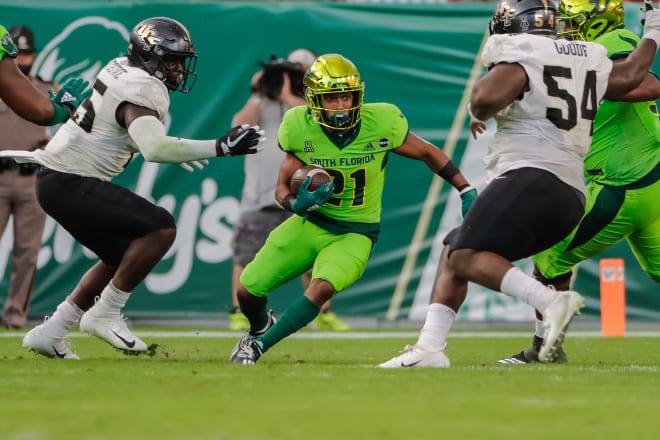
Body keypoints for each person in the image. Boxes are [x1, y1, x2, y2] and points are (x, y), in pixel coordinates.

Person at [378, 0, 660, 368]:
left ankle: (546, 326)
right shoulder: (587, 56)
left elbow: (486, 98)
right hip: (579, 183)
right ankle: (431, 347)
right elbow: (631, 74)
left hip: (571, 177)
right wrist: (652, 27)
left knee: (475, 254)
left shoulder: (546, 49)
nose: (562, 29)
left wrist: (484, 103)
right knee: (456, 248)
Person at [0, 17, 265, 359]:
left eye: (181, 61)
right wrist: (219, 146)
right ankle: (105, 314)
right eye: (171, 60)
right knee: (160, 228)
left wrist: (173, 146)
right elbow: (154, 148)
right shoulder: (144, 88)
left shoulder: (120, 67)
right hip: (69, 180)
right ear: (150, 56)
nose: (178, 70)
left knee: (122, 255)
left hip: (55, 179)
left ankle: (51, 332)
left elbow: (118, 129)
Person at [229, 53, 479, 365]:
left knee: (321, 289)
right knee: (248, 291)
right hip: (311, 223)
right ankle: (258, 328)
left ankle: (257, 347)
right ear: (314, 101)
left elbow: (429, 153)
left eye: (346, 97)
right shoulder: (298, 125)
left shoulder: (381, 122)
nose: (340, 106)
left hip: (355, 233)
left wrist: (465, 188)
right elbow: (281, 188)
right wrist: (296, 203)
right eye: (331, 99)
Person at [498, 0, 660, 365]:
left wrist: (588, 82)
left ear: (594, 21)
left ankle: (544, 349)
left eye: (568, 21)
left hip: (621, 186)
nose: (559, 27)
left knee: (550, 256)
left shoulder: (614, 39)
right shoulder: (581, 52)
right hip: (648, 178)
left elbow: (649, 84)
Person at [229, 48, 350, 332]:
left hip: (304, 192)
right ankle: (238, 311)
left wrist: (286, 95)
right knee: (247, 255)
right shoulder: (262, 102)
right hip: (260, 196)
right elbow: (239, 125)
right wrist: (260, 91)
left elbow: (312, 120)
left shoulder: (312, 107)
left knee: (314, 256)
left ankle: (322, 313)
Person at [0, 26, 54, 329]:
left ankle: (15, 316)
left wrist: (51, 143)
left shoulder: (47, 90)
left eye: (29, 53)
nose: (24, 59)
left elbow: (64, 135)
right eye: (18, 53)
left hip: (32, 177)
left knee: (27, 252)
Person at [0, 24, 89, 126]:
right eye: (17, 52)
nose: (21, 58)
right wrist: (65, 110)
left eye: (26, 53)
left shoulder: (50, 88)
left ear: (33, 57)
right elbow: (40, 110)